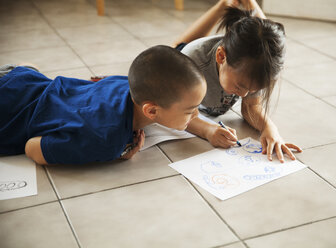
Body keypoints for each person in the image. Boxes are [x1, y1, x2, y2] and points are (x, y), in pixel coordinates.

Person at [0, 45, 206, 165]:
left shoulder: (126, 84)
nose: (196, 114)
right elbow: (32, 148)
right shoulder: (107, 139)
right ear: (151, 110)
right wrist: (117, 154)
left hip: (21, 78)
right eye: (190, 110)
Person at [173, 0, 302, 163]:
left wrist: (270, 128)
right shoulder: (191, 64)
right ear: (221, 57)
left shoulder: (257, 69)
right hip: (183, 59)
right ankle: (224, 5)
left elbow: (251, 106)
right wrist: (207, 130)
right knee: (175, 50)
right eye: (240, 86)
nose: (244, 94)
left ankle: (249, 5)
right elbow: (175, 112)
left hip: (235, 50)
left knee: (267, 39)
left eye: (252, 89)